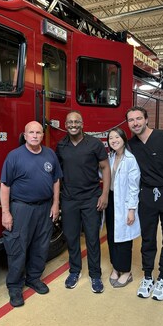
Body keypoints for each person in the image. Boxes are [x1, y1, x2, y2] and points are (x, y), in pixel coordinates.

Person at [126, 106, 163, 301]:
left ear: (146, 119)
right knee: (148, 239)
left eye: (138, 119)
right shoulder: (131, 145)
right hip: (147, 196)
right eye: (131, 120)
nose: (135, 123)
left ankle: (162, 277)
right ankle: (147, 276)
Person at [0, 121, 63, 307]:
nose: (35, 135)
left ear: (43, 135)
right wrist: (6, 212)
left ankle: (33, 278)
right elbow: (5, 186)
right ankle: (15, 287)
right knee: (17, 247)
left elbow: (56, 181)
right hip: (21, 208)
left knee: (41, 245)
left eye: (38, 133)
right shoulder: (14, 156)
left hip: (44, 208)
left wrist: (55, 204)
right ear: (25, 135)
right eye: (31, 132)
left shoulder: (50, 154)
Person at [56, 111, 110, 293]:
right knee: (71, 237)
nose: (73, 125)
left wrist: (104, 195)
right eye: (70, 122)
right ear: (65, 124)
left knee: (92, 238)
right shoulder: (61, 145)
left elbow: (105, 167)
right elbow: (58, 174)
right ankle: (75, 271)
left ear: (82, 124)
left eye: (76, 122)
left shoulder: (94, 144)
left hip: (91, 199)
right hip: (69, 199)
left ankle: (95, 275)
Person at [106, 128, 141, 288]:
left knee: (124, 239)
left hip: (125, 203)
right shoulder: (111, 157)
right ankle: (115, 268)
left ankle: (126, 272)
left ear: (123, 139)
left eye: (116, 137)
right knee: (112, 236)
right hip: (112, 201)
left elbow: (134, 187)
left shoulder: (130, 159)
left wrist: (132, 210)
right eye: (111, 138)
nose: (114, 140)